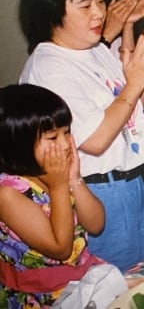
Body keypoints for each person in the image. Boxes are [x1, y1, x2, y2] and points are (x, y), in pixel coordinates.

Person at [18, 0, 144, 271]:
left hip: (131, 187)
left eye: (100, 1)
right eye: (85, 5)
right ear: (51, 11)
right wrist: (135, 82)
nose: (99, 13)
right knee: (112, 294)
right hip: (98, 195)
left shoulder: (94, 50)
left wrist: (142, 73)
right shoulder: (49, 67)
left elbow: (136, 112)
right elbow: (96, 139)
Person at [0, 84, 107, 307]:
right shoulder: (8, 194)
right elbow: (60, 249)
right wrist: (59, 187)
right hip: (44, 296)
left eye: (67, 133)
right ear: (18, 143)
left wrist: (74, 179)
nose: (66, 144)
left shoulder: (54, 173)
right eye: (52, 138)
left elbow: (96, 225)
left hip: (79, 282)